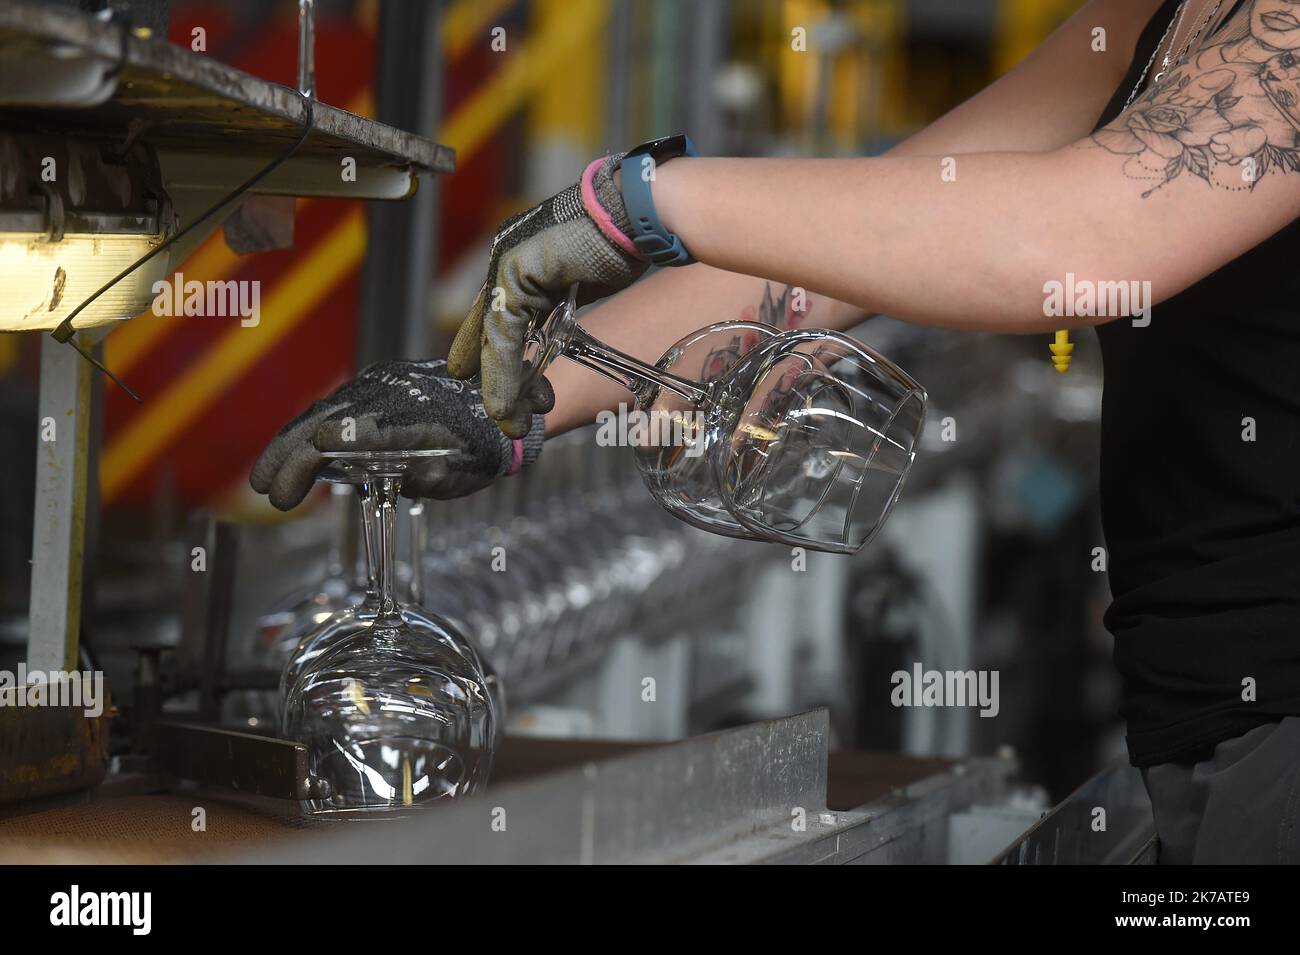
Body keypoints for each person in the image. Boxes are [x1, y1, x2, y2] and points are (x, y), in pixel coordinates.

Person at [252, 0, 1300, 864]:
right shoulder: (1155, 14)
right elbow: (885, 221)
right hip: (1204, 738)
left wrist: (641, 197)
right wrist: (498, 403)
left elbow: (1071, 237)